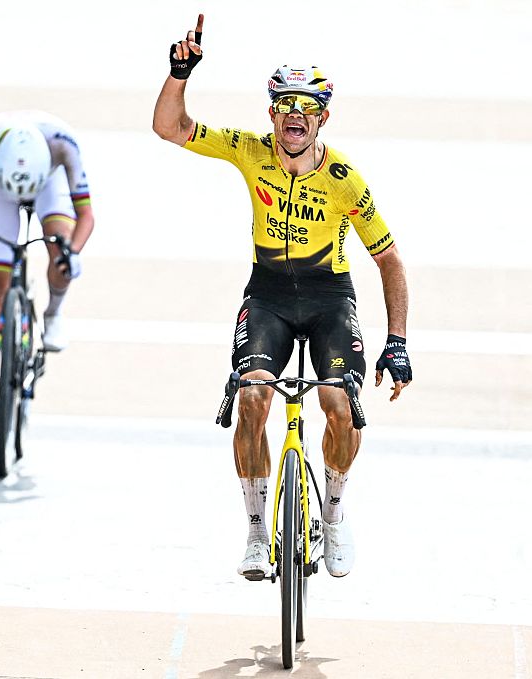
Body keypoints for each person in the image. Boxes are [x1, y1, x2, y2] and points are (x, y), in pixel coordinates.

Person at [153, 15, 412, 579]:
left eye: (307, 107)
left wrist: (398, 342)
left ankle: (336, 515)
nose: (295, 115)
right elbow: (170, 128)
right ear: (271, 112)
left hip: (327, 298)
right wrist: (179, 74)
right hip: (268, 294)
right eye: (285, 105)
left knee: (338, 406)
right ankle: (253, 528)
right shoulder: (251, 152)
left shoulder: (345, 178)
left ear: (323, 116)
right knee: (251, 400)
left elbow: (389, 260)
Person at [0, 111, 95, 435]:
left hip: (48, 182)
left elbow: (86, 216)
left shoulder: (63, 145)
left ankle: (53, 314)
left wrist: (73, 253)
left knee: (61, 250)